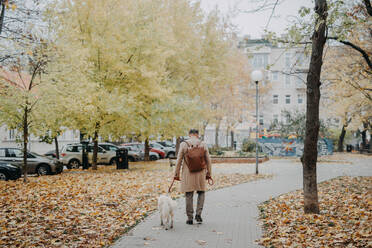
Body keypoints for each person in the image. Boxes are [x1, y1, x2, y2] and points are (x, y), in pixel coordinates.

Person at [174, 129, 212, 225]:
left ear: (189, 134)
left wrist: (176, 174)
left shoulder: (184, 144)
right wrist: (209, 173)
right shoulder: (203, 144)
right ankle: (198, 214)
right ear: (197, 135)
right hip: (201, 173)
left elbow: (179, 160)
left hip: (188, 173)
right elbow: (208, 160)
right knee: (201, 193)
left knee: (189, 195)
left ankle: (190, 218)